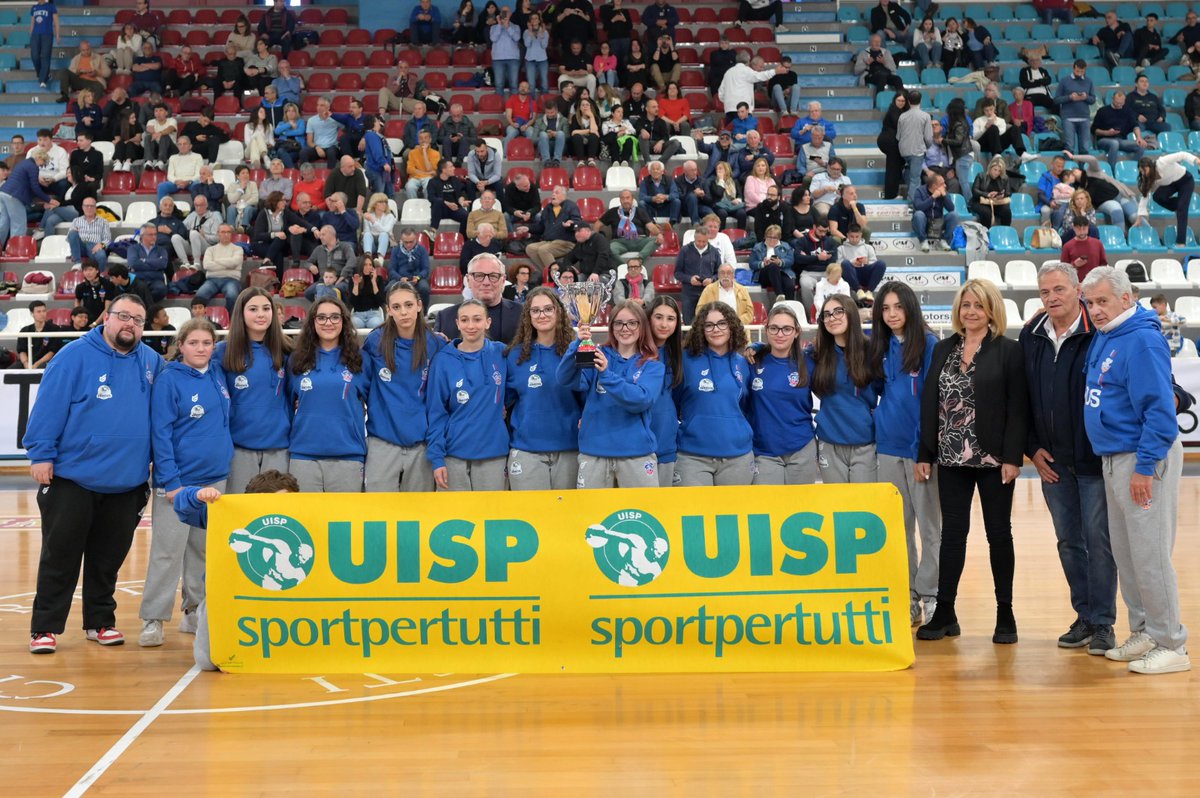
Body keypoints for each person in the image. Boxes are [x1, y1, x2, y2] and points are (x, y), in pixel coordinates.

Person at [26, 295, 163, 654]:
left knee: (108, 560)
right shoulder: (73, 356)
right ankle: (45, 628)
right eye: (122, 316)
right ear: (107, 317)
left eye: (137, 318)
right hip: (73, 477)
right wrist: (41, 454)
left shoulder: (151, 361)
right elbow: (48, 408)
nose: (129, 324)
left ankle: (100, 622)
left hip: (128, 481)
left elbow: (162, 418)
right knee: (60, 556)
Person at [1080, 267, 1189, 673]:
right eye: (1090, 303)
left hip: (1142, 459)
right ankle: (1144, 629)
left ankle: (1171, 643)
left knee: (1150, 554)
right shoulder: (1107, 336)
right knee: (1127, 555)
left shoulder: (1141, 339)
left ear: (1126, 299)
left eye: (1103, 301)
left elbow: (1160, 413)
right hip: (1113, 459)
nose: (1096, 310)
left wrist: (1145, 467)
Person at [916, 279, 1027, 645]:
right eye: (965, 305)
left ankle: (1005, 613)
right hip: (950, 456)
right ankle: (946, 612)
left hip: (994, 458)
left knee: (999, 535)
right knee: (952, 535)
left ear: (991, 309)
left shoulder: (1008, 351)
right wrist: (925, 453)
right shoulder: (944, 348)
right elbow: (930, 401)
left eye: (978, 305)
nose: (971, 312)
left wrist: (1013, 456)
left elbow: (1018, 407)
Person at [1018, 263, 1116, 654]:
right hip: (1051, 463)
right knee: (1069, 543)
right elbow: (1019, 395)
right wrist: (1031, 447)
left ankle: (1105, 622)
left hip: (1093, 460)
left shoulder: (1100, 332)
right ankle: (1085, 616)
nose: (1052, 297)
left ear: (1078, 290)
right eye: (1045, 292)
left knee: (1099, 543)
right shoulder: (1031, 335)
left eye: (1059, 289)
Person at [138, 318, 231, 648]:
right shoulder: (169, 380)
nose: (201, 349)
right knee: (167, 552)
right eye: (194, 343)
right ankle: (154, 618)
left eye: (207, 343)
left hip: (216, 479)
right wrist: (170, 481)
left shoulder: (218, 373)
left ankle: (193, 611)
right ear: (181, 345)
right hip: (179, 483)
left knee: (202, 551)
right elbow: (160, 434)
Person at [869, 282, 941, 626]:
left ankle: (932, 595)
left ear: (910, 308)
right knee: (899, 529)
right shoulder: (879, 347)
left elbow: (931, 402)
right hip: (887, 449)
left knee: (929, 528)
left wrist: (923, 449)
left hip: (919, 453)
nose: (892, 314)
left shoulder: (928, 344)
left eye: (898, 307)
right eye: (885, 308)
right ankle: (908, 596)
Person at [557, 300, 663, 488]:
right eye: (619, 323)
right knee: (591, 516)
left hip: (636, 454)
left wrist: (606, 375)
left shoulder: (652, 364)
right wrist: (577, 344)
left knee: (641, 515)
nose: (625, 328)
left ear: (642, 326)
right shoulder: (598, 354)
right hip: (594, 452)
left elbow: (641, 400)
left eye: (632, 323)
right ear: (611, 326)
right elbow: (565, 379)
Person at [360, 282, 443, 493]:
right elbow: (359, 384)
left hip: (421, 444)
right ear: (388, 311)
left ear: (419, 305)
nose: (403, 312)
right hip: (382, 441)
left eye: (408, 305)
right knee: (379, 513)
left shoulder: (436, 344)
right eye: (396, 307)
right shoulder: (375, 341)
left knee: (418, 514)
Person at [425, 300, 510, 491]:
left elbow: (515, 388)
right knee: (454, 518)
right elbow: (436, 412)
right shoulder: (443, 360)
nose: (471, 326)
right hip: (453, 455)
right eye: (465, 320)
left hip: (493, 454)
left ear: (488, 322)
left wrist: (502, 404)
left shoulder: (501, 353)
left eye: (477, 319)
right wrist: (437, 459)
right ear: (457, 323)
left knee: (491, 518)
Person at [286, 297, 369, 492]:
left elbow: (374, 404)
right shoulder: (296, 360)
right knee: (306, 521)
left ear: (344, 321)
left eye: (334, 317)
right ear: (313, 322)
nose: (328, 322)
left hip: (348, 456)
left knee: (345, 522)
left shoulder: (361, 359)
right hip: (304, 456)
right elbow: (286, 406)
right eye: (321, 317)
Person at [214, 288, 292, 493]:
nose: (261, 314)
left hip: (278, 447)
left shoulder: (286, 350)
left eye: (266, 308)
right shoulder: (223, 351)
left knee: (274, 518)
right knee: (241, 517)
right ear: (241, 313)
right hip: (238, 448)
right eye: (253, 309)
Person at [503, 288, 581, 490]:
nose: (542, 315)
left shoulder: (576, 352)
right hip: (527, 450)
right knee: (530, 518)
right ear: (528, 316)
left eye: (548, 309)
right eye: (535, 310)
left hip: (569, 449)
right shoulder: (515, 356)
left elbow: (589, 398)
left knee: (566, 519)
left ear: (559, 312)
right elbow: (506, 401)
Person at [670, 302, 754, 486]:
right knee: (694, 513)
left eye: (722, 323)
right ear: (701, 329)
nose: (716, 329)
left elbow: (746, 407)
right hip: (693, 456)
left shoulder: (743, 363)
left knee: (731, 514)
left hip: (737, 456)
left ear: (731, 326)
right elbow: (673, 402)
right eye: (709, 325)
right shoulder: (685, 360)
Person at [811, 293, 878, 484]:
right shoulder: (816, 353)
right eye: (827, 314)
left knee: (863, 508)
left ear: (850, 313)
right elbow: (785, 355)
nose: (832, 318)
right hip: (829, 442)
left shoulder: (872, 351)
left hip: (865, 442)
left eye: (838, 311)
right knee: (836, 508)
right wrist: (757, 347)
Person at [435, 253, 522, 343]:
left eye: (493, 276)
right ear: (468, 280)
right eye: (479, 276)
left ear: (503, 280)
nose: (486, 282)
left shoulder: (522, 313)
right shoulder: (445, 317)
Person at [1135, 153, 1200, 247]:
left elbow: (1182, 155)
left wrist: (1196, 160)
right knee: (1157, 197)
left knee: (1182, 210)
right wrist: (1139, 218)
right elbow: (1144, 196)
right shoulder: (1147, 177)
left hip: (1186, 181)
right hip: (1171, 184)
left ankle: (1181, 242)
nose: (1143, 173)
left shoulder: (1162, 162)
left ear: (1150, 166)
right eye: (1141, 171)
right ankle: (1180, 204)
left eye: (1144, 170)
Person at [0, 149, 54, 247]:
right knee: (19, 223)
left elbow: (27, 185)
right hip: (14, 195)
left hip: (3, 192)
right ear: (39, 158)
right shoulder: (33, 166)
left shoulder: (23, 163)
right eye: (44, 161)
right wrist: (49, 199)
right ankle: (15, 251)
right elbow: (34, 187)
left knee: (3, 223)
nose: (43, 165)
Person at [527, 185, 582, 274]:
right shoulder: (548, 208)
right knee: (530, 248)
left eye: (557, 193)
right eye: (553, 192)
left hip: (565, 242)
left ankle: (557, 275)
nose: (553, 195)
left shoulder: (571, 206)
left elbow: (578, 222)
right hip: (548, 241)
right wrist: (528, 228)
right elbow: (541, 226)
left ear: (564, 196)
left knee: (544, 250)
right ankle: (549, 274)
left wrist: (571, 224)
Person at [674, 226, 721, 324]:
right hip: (689, 292)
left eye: (704, 242)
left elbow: (719, 273)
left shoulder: (714, 252)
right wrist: (689, 279)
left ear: (708, 239)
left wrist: (712, 279)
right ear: (694, 239)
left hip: (708, 292)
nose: (701, 244)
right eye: (699, 241)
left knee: (708, 321)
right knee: (689, 322)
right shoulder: (685, 250)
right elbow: (677, 273)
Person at [196, 224, 244, 314]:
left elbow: (235, 262)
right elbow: (206, 265)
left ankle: (228, 319)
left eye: (228, 232)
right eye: (223, 232)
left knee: (232, 295)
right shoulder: (210, 249)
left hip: (231, 280)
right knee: (200, 296)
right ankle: (203, 321)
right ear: (218, 234)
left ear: (231, 234)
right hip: (212, 280)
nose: (226, 234)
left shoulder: (238, 249)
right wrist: (228, 265)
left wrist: (216, 261)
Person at [717, 52, 783, 117]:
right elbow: (760, 76)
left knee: (731, 127)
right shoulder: (746, 70)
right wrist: (775, 71)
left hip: (729, 109)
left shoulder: (728, 72)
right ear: (748, 61)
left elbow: (721, 93)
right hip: (743, 108)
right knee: (746, 127)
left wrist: (729, 102)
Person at [1055, 60, 1095, 157]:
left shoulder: (1089, 81)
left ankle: (1083, 171)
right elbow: (1056, 99)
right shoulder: (1064, 81)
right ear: (1073, 68)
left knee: (1085, 148)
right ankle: (1069, 170)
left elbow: (1093, 99)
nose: (1079, 73)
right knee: (1069, 147)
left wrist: (1086, 97)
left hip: (1084, 117)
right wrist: (1069, 97)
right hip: (1068, 117)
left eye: (1082, 71)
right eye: (1077, 71)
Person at [836, 226, 886, 302]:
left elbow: (874, 262)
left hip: (865, 272)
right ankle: (859, 291)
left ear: (861, 235)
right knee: (845, 263)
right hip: (850, 274)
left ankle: (869, 292)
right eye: (852, 236)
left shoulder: (868, 247)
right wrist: (852, 262)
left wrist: (867, 262)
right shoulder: (841, 248)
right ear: (847, 235)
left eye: (857, 236)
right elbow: (838, 265)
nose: (854, 239)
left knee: (881, 263)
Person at [911, 173, 958, 253]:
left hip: (938, 222)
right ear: (934, 186)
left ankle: (944, 240)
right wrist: (933, 197)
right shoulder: (919, 191)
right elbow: (918, 207)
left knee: (954, 215)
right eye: (942, 184)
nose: (945, 185)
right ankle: (923, 241)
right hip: (924, 222)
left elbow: (951, 208)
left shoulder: (944, 192)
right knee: (919, 214)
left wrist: (945, 196)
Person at [389, 228, 431, 312]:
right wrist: (400, 278)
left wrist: (418, 277)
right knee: (388, 289)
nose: (408, 245)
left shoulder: (422, 250)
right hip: (400, 278)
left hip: (418, 278)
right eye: (406, 242)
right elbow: (391, 270)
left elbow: (426, 269)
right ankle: (393, 313)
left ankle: (423, 313)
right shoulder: (396, 250)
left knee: (424, 288)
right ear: (401, 240)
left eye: (411, 242)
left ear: (416, 239)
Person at [750, 225, 796, 300]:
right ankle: (779, 295)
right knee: (773, 266)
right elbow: (752, 264)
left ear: (779, 238)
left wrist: (780, 262)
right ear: (765, 236)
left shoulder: (786, 246)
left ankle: (789, 306)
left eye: (774, 238)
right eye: (769, 237)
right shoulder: (757, 247)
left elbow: (791, 260)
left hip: (783, 272)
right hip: (765, 274)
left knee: (790, 285)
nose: (771, 240)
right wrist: (763, 263)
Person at [65, 197, 111, 271]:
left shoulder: (104, 222)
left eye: (91, 206)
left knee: (102, 256)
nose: (89, 208)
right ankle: (78, 263)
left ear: (95, 208)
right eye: (86, 206)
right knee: (72, 233)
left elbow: (107, 239)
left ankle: (100, 276)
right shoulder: (76, 221)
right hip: (80, 245)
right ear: (83, 207)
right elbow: (69, 238)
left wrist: (101, 245)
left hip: (94, 246)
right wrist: (74, 233)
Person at [970, 156, 1013, 229]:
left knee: (1007, 212)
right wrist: (986, 194)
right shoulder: (981, 175)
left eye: (999, 171)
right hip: (980, 201)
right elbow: (974, 190)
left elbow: (1008, 192)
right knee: (987, 213)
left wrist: (1002, 195)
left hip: (996, 202)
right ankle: (986, 233)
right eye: (995, 170)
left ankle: (1005, 232)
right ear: (990, 168)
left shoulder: (1004, 178)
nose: (996, 173)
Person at [16, 300, 61, 370]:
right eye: (38, 312)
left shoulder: (55, 329)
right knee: (10, 371)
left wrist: (36, 364)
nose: (42, 314)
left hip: (46, 362)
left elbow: (52, 352)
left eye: (44, 311)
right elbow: (22, 351)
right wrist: (26, 364)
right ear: (32, 314)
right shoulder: (25, 330)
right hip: (28, 361)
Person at [1061, 215, 1107, 280]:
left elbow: (1104, 265)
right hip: (1075, 284)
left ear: (1088, 227)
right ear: (1074, 228)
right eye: (1079, 228)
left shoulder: (1098, 244)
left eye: (1084, 228)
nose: (1082, 232)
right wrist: (1074, 265)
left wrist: (1096, 275)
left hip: (1095, 283)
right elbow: (1063, 270)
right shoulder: (1067, 246)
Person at [490, 7, 521, 98]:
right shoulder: (494, 27)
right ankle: (499, 107)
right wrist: (500, 25)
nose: (505, 13)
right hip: (498, 59)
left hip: (513, 58)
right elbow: (493, 38)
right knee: (499, 85)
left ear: (510, 14)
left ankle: (514, 107)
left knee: (514, 85)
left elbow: (516, 38)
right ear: (500, 13)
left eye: (507, 11)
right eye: (503, 12)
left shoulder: (516, 27)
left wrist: (507, 26)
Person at [29, 0, 59, 89]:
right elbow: (32, 22)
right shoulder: (34, 8)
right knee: (34, 56)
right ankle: (42, 73)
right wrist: (31, 34)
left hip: (47, 35)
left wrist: (57, 35)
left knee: (45, 56)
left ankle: (43, 80)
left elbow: (56, 22)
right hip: (35, 35)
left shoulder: (50, 6)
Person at [404, 129, 439, 199]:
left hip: (428, 178)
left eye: (426, 138)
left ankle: (428, 206)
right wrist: (426, 172)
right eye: (421, 138)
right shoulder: (412, 152)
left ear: (430, 140)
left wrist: (424, 152)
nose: (423, 140)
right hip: (415, 177)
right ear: (418, 141)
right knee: (409, 187)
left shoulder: (435, 153)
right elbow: (409, 169)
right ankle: (413, 206)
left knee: (429, 186)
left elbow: (430, 168)